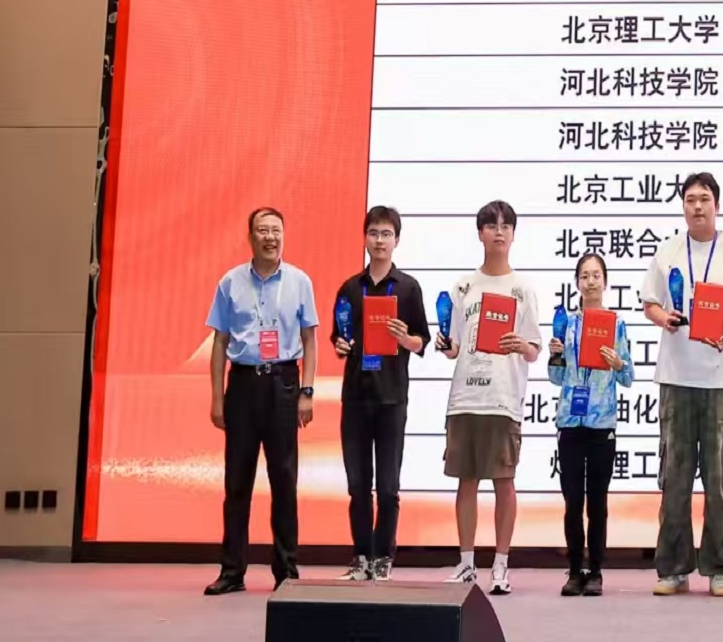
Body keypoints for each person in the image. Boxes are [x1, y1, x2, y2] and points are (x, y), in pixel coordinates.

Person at [640, 172, 723, 597]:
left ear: (717, 206)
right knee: (674, 477)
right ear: (683, 207)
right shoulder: (669, 250)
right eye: (690, 199)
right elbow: (650, 303)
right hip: (675, 377)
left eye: (704, 199)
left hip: (719, 380)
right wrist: (664, 319)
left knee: (719, 477)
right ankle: (673, 568)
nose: (697, 206)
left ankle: (720, 567)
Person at [203, 207, 319, 596]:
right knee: (237, 481)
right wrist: (216, 398)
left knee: (284, 480)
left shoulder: (300, 281)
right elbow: (220, 342)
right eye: (263, 230)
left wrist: (307, 391)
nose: (270, 237)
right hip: (242, 385)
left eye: (276, 230)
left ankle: (287, 570)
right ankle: (232, 570)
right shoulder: (230, 282)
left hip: (284, 384)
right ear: (250, 237)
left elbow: (309, 340)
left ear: (284, 235)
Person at [432, 200, 544, 596]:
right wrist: (445, 345)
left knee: (503, 481)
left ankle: (500, 565)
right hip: (465, 397)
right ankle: (466, 563)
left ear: (513, 235)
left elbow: (535, 348)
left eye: (505, 226)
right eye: (491, 225)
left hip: (503, 398)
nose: (499, 232)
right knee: (466, 480)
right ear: (480, 233)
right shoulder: (463, 287)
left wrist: (521, 346)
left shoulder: (522, 288)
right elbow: (453, 346)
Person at [328, 206, 430, 583]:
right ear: (365, 238)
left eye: (387, 234)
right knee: (358, 486)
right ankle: (360, 556)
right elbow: (339, 338)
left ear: (397, 240)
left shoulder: (407, 288)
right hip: (356, 398)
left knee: (387, 486)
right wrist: (340, 346)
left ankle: (384, 555)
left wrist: (405, 339)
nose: (380, 240)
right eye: (374, 233)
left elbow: (422, 341)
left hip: (391, 399)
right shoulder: (349, 288)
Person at [547, 253, 634, 596]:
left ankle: (595, 570)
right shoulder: (566, 324)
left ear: (605, 281)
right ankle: (573, 570)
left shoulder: (616, 325)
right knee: (572, 501)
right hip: (570, 422)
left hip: (602, 424)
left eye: (596, 275)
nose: (591, 281)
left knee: (597, 502)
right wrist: (556, 354)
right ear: (577, 283)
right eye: (584, 276)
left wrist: (617, 362)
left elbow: (628, 377)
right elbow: (556, 378)